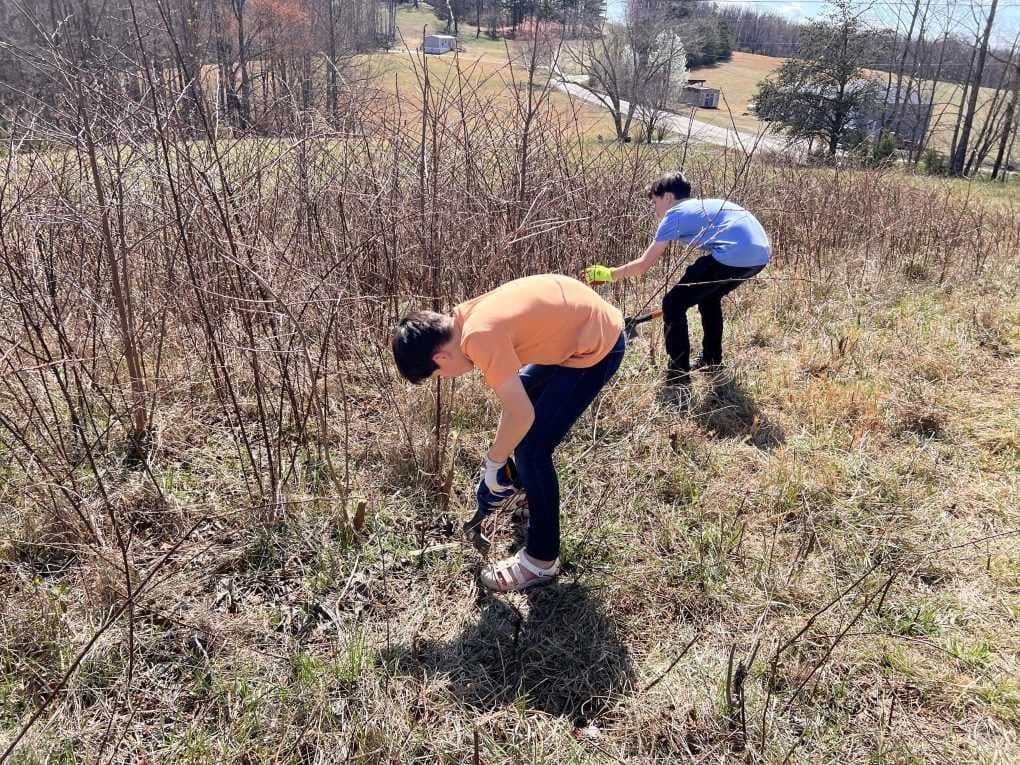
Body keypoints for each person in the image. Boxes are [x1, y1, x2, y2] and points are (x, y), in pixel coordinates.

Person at [391, 274, 625, 593]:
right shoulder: (465, 317)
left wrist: (493, 463)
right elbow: (517, 406)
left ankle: (542, 561)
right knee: (524, 405)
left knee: (532, 451)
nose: (446, 377)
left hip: (597, 347)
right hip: (581, 329)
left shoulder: (478, 337)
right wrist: (497, 466)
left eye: (439, 375)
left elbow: (521, 414)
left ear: (440, 358)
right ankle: (524, 490)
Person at [585, 171, 770, 390]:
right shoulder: (706, 205)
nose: (656, 210)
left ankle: (678, 374)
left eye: (655, 202)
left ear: (668, 197)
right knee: (709, 299)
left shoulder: (675, 213)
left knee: (673, 304)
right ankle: (712, 360)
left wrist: (609, 274)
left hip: (732, 255)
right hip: (760, 257)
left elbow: (645, 264)